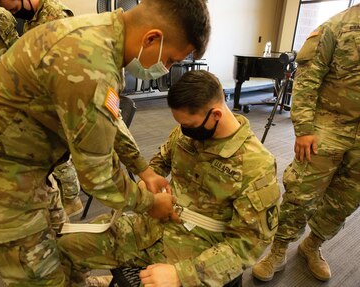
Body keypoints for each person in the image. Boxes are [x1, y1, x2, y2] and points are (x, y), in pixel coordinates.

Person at [0, 0, 211, 285]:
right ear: (152, 38)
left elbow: (106, 118)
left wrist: (143, 169)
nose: (166, 67)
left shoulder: (102, 36)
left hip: (28, 159)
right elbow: (98, 175)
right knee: (39, 276)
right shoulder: (91, 64)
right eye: (171, 59)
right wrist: (150, 204)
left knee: (58, 246)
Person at [57, 70, 281, 287]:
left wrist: (181, 276)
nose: (184, 130)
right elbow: (158, 164)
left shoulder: (257, 165)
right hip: (151, 226)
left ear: (216, 115)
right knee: (65, 246)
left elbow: (247, 245)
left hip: (199, 251)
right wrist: (148, 183)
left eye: (189, 125)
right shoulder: (185, 132)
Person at [252, 4, 360, 282]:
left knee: (346, 200)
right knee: (302, 192)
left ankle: (313, 245)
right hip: (328, 126)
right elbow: (307, 79)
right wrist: (304, 129)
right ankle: (278, 249)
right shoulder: (335, 26)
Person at [0, 0, 83, 217]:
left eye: (12, 7)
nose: (10, 11)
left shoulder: (55, 16)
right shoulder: (31, 20)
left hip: (60, 102)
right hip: (43, 100)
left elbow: (69, 66)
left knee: (59, 158)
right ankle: (59, 203)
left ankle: (72, 200)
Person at [0, 0, 73, 33]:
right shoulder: (32, 14)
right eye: (10, 11)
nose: (14, 13)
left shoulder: (56, 15)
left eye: (15, 9)